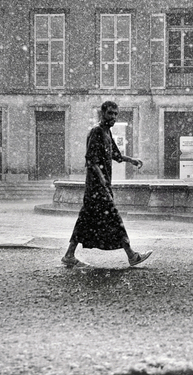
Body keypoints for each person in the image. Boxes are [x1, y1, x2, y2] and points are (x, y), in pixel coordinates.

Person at [61, 101, 152, 268]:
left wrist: (130, 160)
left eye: (116, 114)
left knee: (85, 220)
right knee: (114, 218)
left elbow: (116, 155)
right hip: (97, 187)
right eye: (110, 113)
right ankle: (131, 255)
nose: (114, 117)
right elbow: (91, 160)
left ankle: (69, 254)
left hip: (98, 188)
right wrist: (103, 182)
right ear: (102, 114)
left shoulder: (107, 132)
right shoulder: (96, 132)